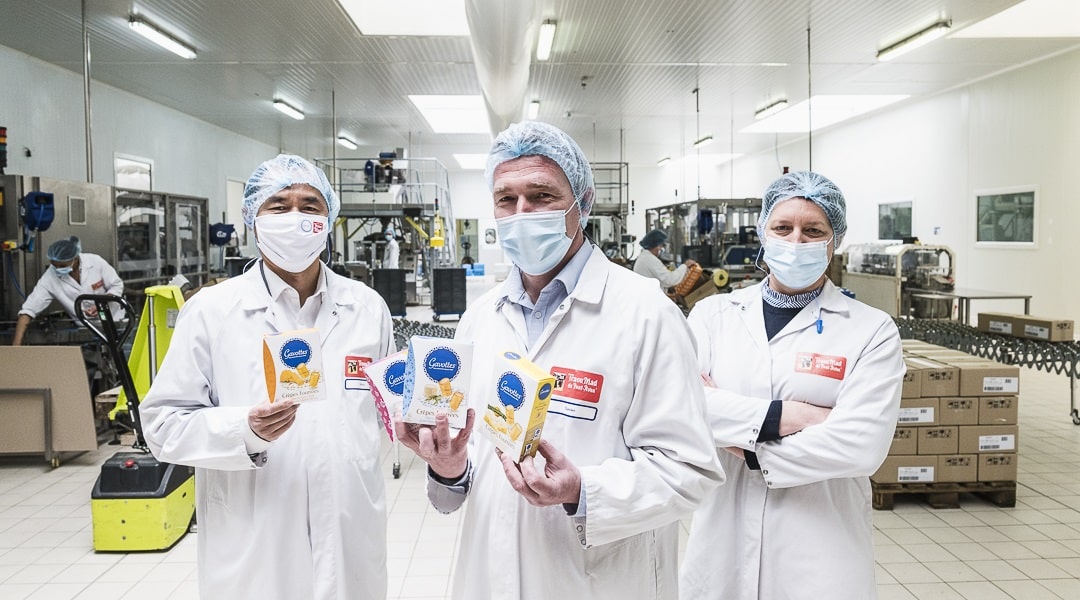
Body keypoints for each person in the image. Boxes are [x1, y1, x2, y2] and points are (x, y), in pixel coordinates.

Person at [395, 121, 725, 599]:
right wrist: (447, 464)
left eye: (541, 195)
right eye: (506, 200)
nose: (521, 213)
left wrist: (582, 491)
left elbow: (691, 470)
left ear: (581, 204)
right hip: (490, 576)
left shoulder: (645, 313)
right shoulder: (480, 318)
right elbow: (468, 476)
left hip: (596, 579)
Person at [140, 154, 395, 600]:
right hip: (253, 542)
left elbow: (382, 411)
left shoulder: (367, 307)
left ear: (329, 219)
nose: (295, 217)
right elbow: (161, 425)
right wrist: (244, 430)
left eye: (310, 206)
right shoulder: (212, 311)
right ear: (252, 220)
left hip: (350, 531)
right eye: (278, 206)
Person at [679, 171, 905, 600]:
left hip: (820, 549)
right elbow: (683, 409)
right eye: (783, 227)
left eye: (812, 230)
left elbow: (860, 445)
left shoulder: (871, 331)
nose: (796, 241)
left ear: (832, 241)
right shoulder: (713, 316)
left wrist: (744, 443)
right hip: (721, 540)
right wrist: (790, 417)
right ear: (763, 232)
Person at [12, 236, 124, 345]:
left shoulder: (95, 262)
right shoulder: (50, 277)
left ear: (75, 259)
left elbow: (116, 286)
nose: (58, 269)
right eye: (55, 266)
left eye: (62, 265)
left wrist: (101, 303)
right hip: (85, 329)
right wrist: (16, 345)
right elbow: (28, 310)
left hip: (114, 323)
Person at [632, 228, 697, 289]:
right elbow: (669, 280)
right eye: (661, 245)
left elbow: (660, 281)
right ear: (656, 246)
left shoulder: (645, 257)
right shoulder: (650, 260)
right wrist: (685, 266)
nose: (661, 249)